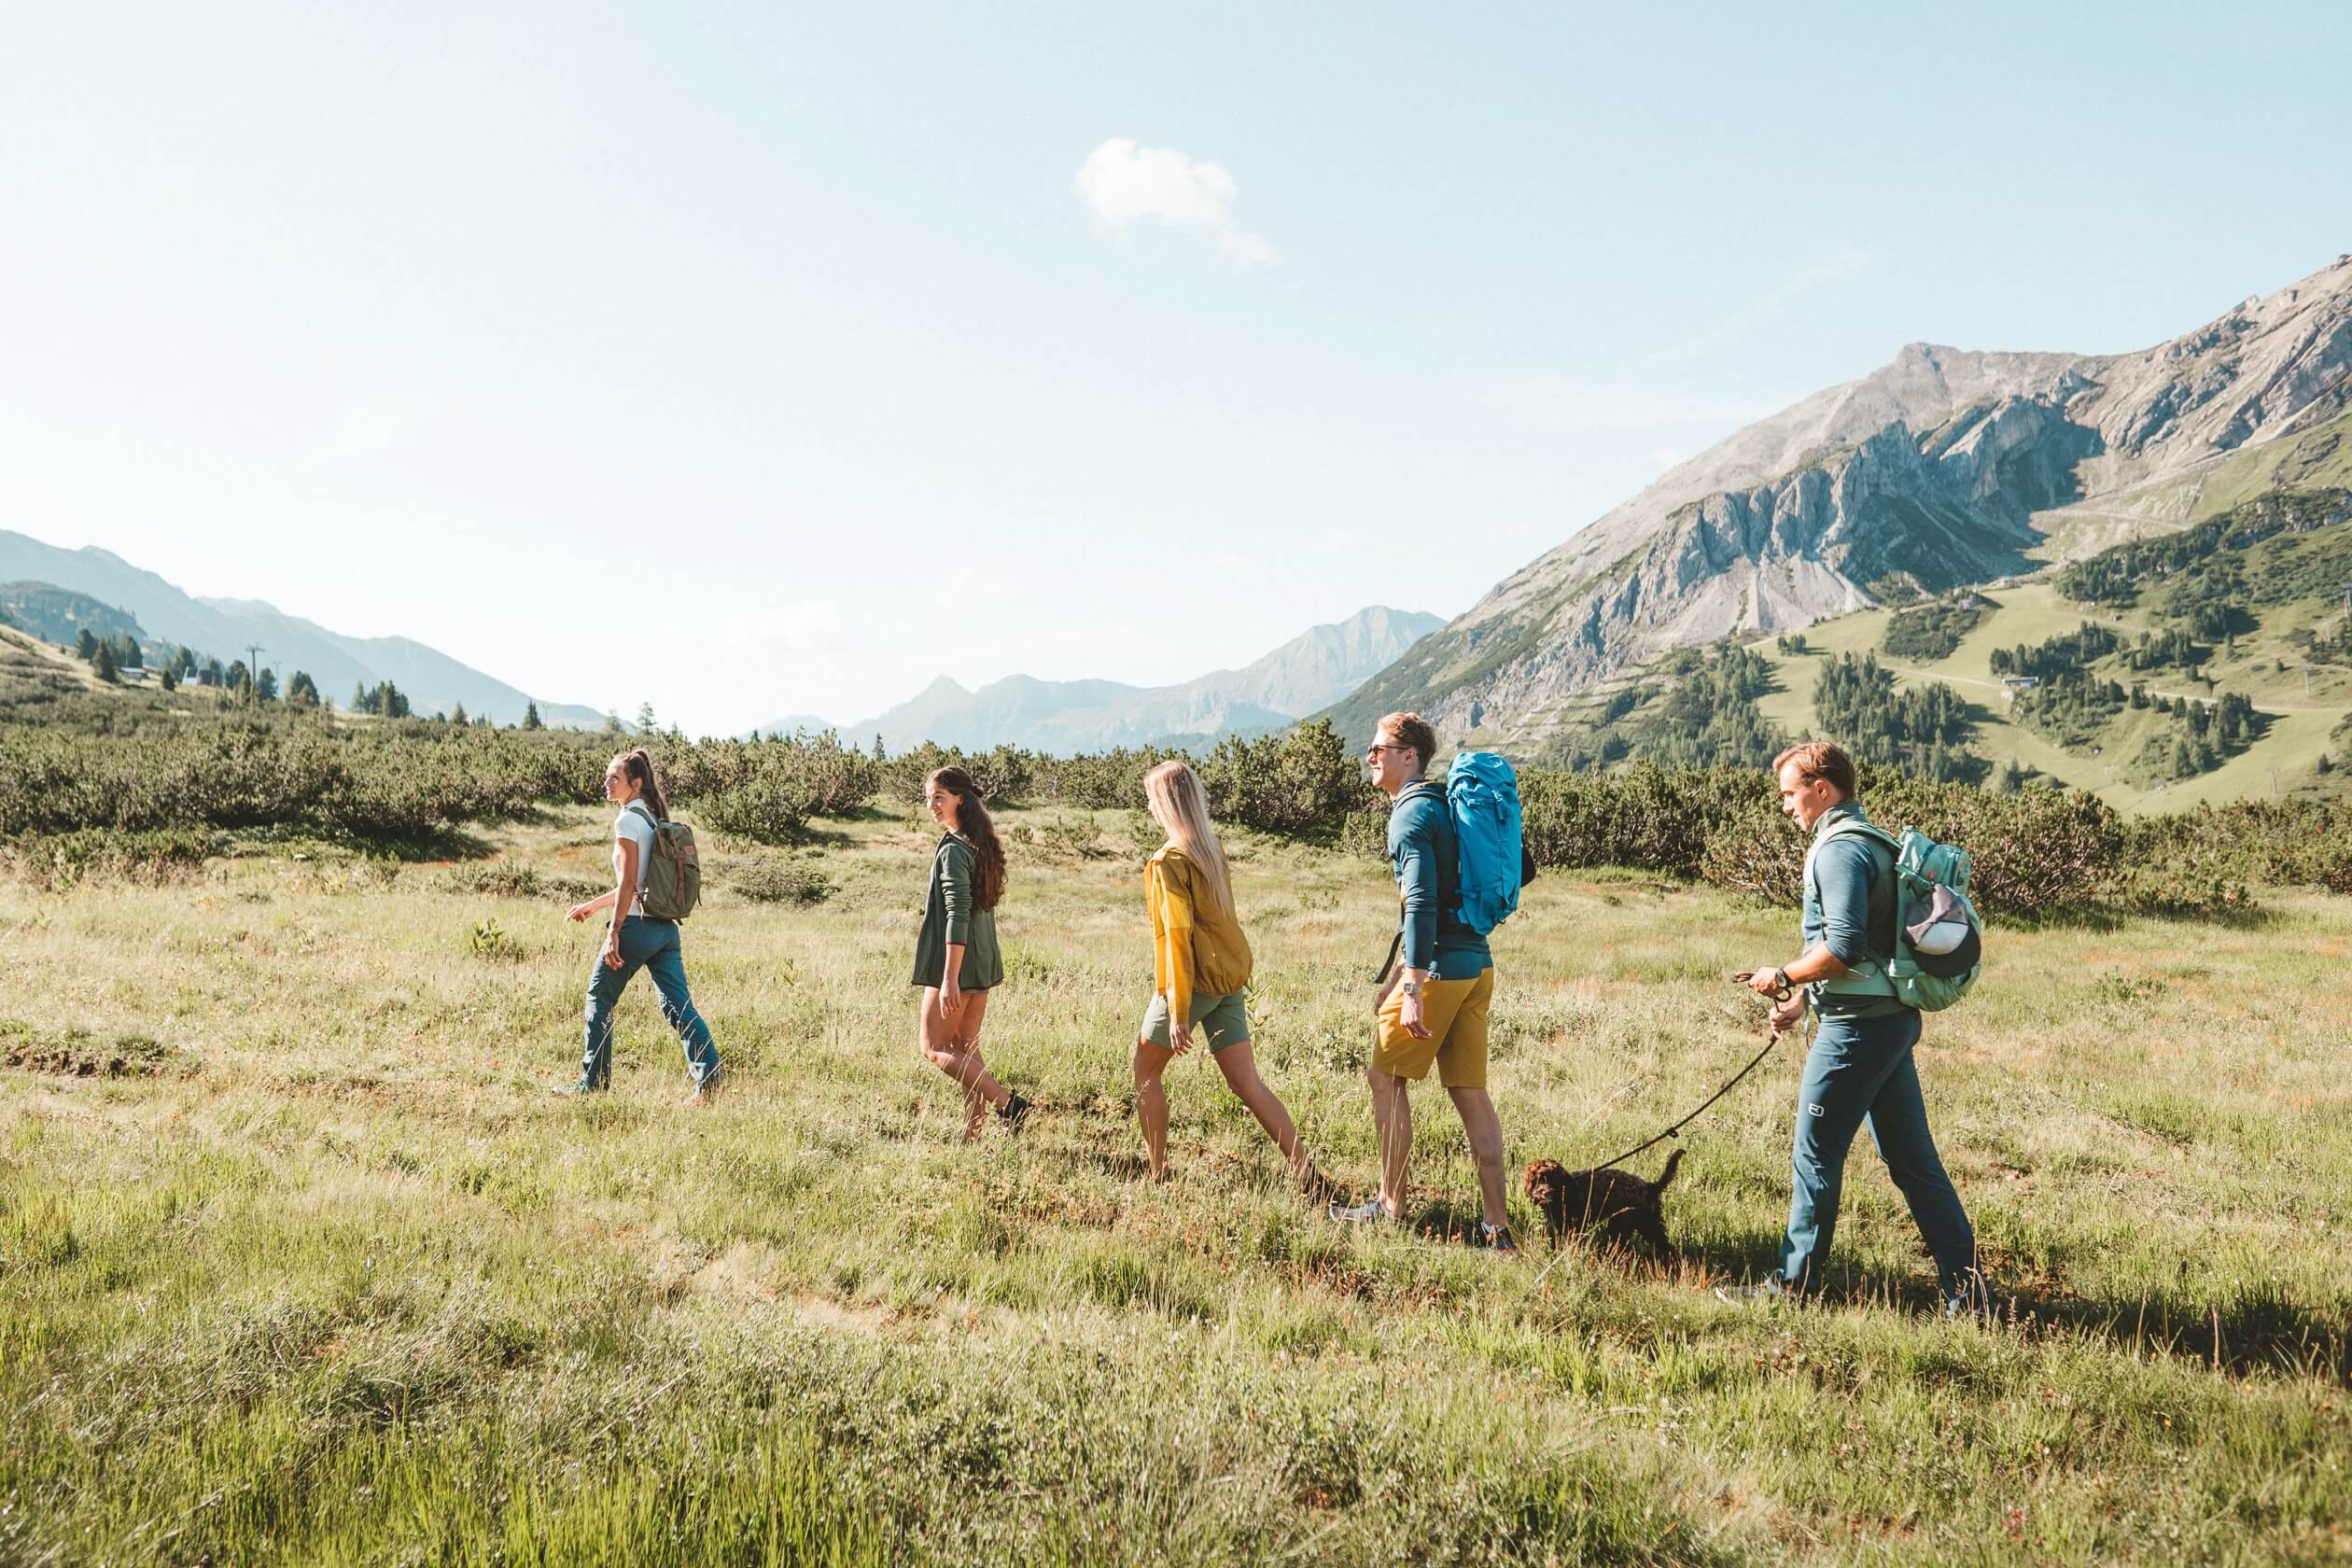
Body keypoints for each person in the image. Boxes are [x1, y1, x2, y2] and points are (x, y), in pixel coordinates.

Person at [1717, 740, 1984, 1318]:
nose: (1786, 806)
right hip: (1886, 1023)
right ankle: (1970, 1294)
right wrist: (1803, 1002)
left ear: (1821, 789)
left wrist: (1782, 975)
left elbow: (1843, 946)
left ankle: (1793, 1289)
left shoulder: (1837, 852)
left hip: (1856, 1033)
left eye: (1791, 794)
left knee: (1814, 1158)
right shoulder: (1872, 842)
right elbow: (1865, 948)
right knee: (1914, 1162)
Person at [1330, 712, 1515, 1251]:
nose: (1370, 756)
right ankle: (1496, 1226)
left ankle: (1391, 1205)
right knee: (1469, 1091)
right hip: (1477, 967)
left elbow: (1421, 903)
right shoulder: (1443, 806)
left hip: (1438, 971)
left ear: (1409, 755)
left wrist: (1410, 986)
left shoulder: (1410, 816)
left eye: (1378, 747)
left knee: (1386, 1077)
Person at [1131, 760, 1332, 1197]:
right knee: (1247, 1083)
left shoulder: (1167, 862)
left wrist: (1179, 1010)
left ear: (1166, 803)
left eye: (1151, 798)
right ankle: (1305, 1171)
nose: (1148, 805)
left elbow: (1177, 940)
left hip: (1194, 983)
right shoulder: (1208, 848)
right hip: (1229, 981)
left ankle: (1158, 1174)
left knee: (1144, 1072)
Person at [560, 749, 723, 1103]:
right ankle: (709, 1079)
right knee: (678, 1007)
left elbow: (630, 882)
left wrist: (613, 931)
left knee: (598, 998)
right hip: (664, 928)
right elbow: (632, 883)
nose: (607, 783)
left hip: (636, 927)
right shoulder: (650, 817)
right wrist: (592, 906)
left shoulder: (627, 822)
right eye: (607, 777)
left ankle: (593, 1084)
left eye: (614, 778)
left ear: (634, 784)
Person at [913, 765, 1032, 1139]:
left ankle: (1009, 1104)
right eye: (929, 797)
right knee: (965, 1047)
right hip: (983, 963)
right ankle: (973, 1132)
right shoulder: (977, 842)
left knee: (934, 1048)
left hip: (960, 967)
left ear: (960, 799)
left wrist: (948, 978)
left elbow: (957, 913)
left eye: (939, 797)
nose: (932, 804)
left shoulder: (954, 849)